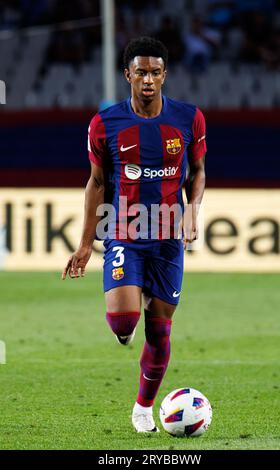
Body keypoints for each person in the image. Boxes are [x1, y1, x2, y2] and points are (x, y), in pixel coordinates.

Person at [62, 37, 206, 433]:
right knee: (125, 324)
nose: (148, 79)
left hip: (167, 241)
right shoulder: (104, 124)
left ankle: (143, 408)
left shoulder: (188, 118)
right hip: (124, 233)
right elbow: (94, 183)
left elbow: (198, 172)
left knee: (159, 333)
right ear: (127, 74)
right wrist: (83, 244)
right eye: (140, 72)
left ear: (165, 75)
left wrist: (192, 211)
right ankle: (131, 296)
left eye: (155, 72)